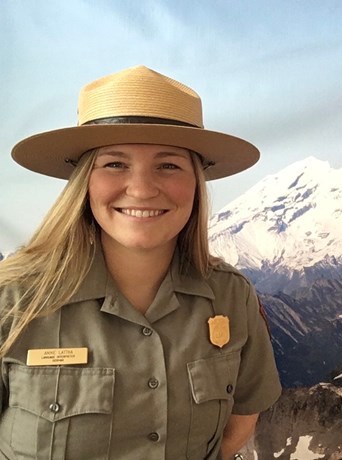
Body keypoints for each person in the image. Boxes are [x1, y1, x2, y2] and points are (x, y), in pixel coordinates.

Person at [0, 65, 282, 459]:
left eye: (168, 165)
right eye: (115, 163)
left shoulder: (232, 297)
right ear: (85, 182)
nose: (142, 189)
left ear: (196, 184)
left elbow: (243, 416)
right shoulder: (11, 302)